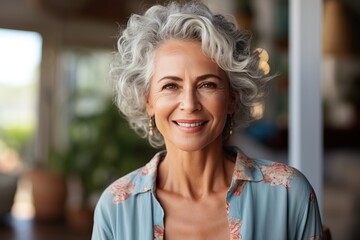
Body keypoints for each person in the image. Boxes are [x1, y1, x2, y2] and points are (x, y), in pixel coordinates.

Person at [92, 1, 323, 239]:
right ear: (148, 101)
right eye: (170, 86)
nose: (190, 104)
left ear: (233, 97)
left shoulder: (288, 194)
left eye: (207, 85)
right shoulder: (116, 208)